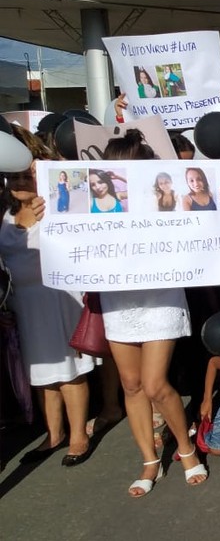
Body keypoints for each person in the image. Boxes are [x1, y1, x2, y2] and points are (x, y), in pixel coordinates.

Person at [100, 130, 207, 496]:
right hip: (118, 298)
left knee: (155, 384)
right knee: (131, 384)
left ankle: (186, 448)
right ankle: (148, 459)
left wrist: (215, 206)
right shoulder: (97, 201)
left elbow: (199, 232)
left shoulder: (171, 198)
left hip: (160, 295)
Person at [1, 126, 94, 467]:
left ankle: (79, 435)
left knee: (69, 371)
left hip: (58, 298)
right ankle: (53, 435)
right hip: (23, 305)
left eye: (27, 177)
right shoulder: (5, 215)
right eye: (14, 178)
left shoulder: (55, 206)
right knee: (42, 375)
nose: (20, 183)